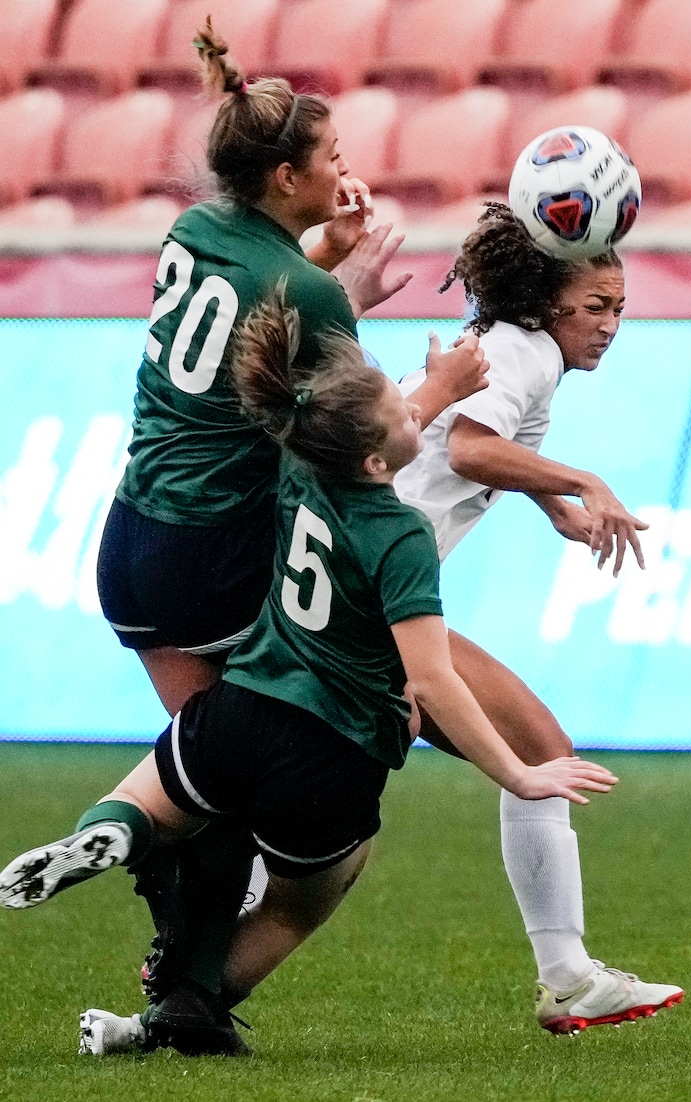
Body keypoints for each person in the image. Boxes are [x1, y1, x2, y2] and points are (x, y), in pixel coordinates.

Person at [0, 291, 620, 1059]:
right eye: (403, 414)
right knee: (298, 906)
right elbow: (429, 683)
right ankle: (185, 1007)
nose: (414, 421)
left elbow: (351, 424)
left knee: (149, 802)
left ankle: (107, 833)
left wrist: (432, 390)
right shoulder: (399, 538)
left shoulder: (298, 468)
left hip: (238, 708)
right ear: (373, 458)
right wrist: (520, 776)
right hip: (330, 751)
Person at [92, 14, 491, 1029]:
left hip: (128, 537)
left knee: (209, 753)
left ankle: (167, 922)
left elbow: (255, 298)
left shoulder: (193, 232)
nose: (347, 167)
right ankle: (185, 966)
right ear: (285, 176)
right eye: (333, 155)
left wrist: (325, 262)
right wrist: (383, 329)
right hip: (211, 543)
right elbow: (357, 435)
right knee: (306, 744)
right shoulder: (310, 294)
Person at [393, 202, 683, 1034]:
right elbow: (469, 450)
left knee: (311, 804)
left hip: (365, 596)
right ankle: (568, 977)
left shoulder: (526, 355)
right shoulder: (523, 353)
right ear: (547, 302)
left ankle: (569, 979)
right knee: (315, 813)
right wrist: (584, 481)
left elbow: (478, 449)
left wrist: (555, 507)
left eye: (621, 308)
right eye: (596, 307)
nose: (611, 325)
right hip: (366, 602)